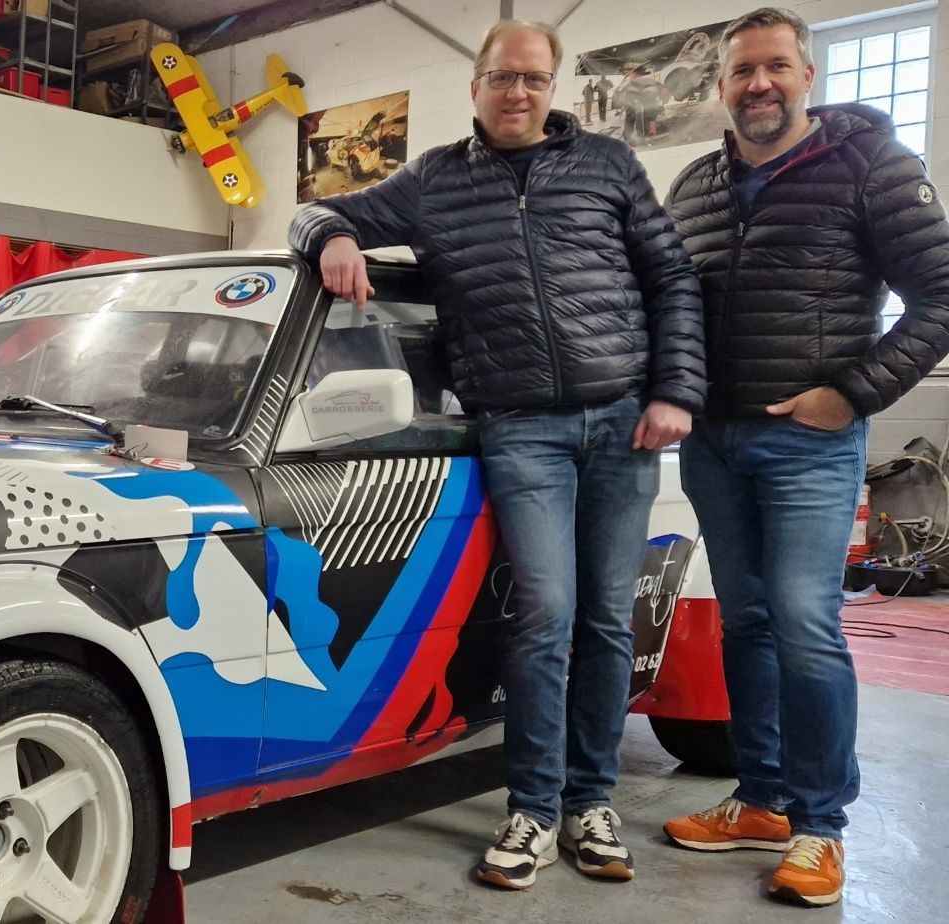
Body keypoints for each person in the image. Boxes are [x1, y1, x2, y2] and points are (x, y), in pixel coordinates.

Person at [287, 19, 705, 890]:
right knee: (546, 615)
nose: (518, 92)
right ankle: (534, 810)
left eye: (534, 78)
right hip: (520, 428)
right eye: (503, 77)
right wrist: (332, 239)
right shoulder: (433, 180)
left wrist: (675, 391)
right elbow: (316, 209)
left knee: (604, 620)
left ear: (552, 87)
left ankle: (591, 803)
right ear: (474, 85)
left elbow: (671, 276)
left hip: (622, 420)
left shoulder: (608, 166)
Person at [662, 7, 949, 908]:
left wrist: (854, 394)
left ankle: (820, 826)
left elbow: (941, 296)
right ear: (721, 85)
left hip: (810, 442)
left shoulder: (872, 166)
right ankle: (761, 798)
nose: (760, 84)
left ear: (806, 77)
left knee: (804, 625)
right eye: (743, 70)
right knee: (745, 623)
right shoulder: (696, 185)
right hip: (714, 441)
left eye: (776, 67)